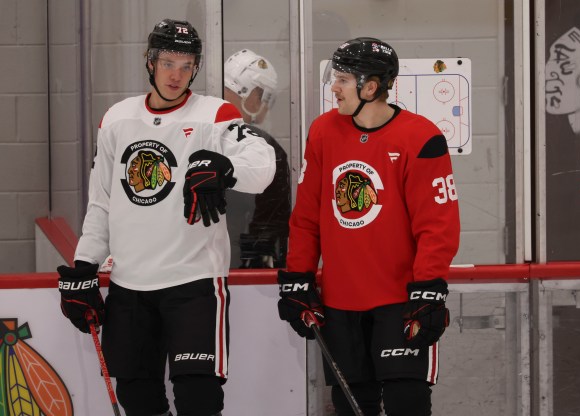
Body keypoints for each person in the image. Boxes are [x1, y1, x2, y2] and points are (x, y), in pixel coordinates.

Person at [56, 19, 275, 416]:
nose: (177, 75)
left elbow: (262, 167)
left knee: (199, 399)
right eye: (169, 63)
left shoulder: (215, 114)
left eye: (187, 65)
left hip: (193, 285)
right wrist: (85, 264)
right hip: (129, 286)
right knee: (137, 399)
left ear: (196, 67)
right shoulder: (117, 119)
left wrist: (225, 168)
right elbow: (101, 202)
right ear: (150, 62)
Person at [276, 37, 460, 416]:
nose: (334, 87)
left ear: (371, 86)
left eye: (342, 79)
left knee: (406, 403)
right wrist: (299, 276)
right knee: (350, 407)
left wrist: (428, 290)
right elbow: (307, 216)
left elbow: (437, 224)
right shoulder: (324, 131)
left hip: (400, 302)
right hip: (340, 303)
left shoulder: (420, 137)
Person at [223, 49, 291, 268]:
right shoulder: (267, 147)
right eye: (263, 96)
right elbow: (271, 223)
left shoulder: (194, 131)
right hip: (244, 266)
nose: (264, 105)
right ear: (250, 93)